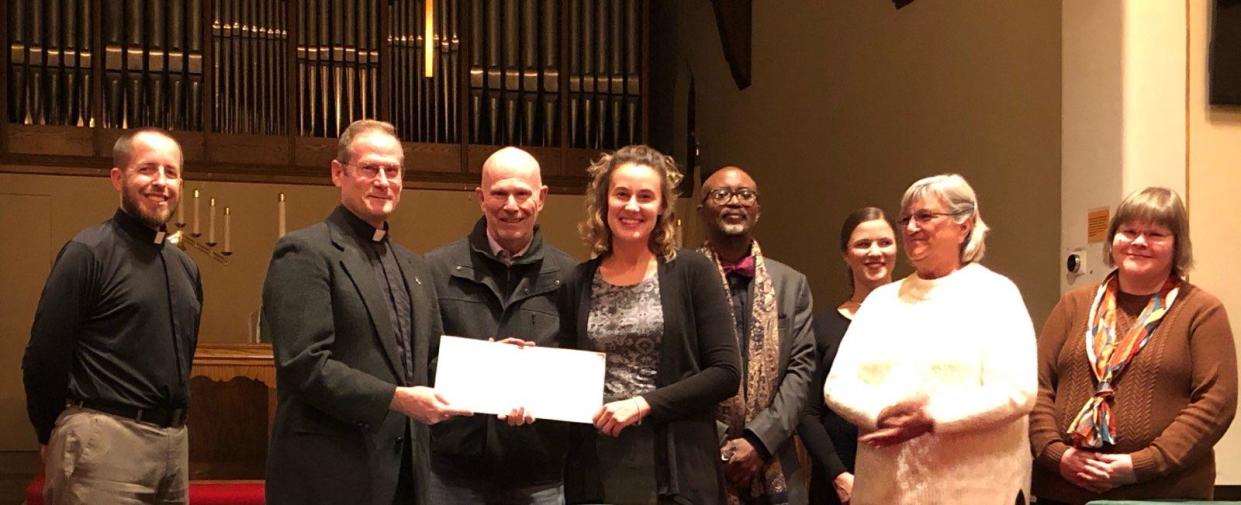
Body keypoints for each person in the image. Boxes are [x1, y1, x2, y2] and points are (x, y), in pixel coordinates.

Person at [261, 119, 471, 505]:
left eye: (392, 170)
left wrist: (496, 366)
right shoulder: (305, 252)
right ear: (338, 173)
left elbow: (432, 360)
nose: (383, 180)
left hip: (406, 473)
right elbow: (304, 365)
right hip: (331, 474)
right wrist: (396, 398)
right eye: (369, 168)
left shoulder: (414, 266)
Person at [823, 174, 1037, 505]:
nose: (910, 228)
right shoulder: (881, 301)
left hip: (975, 490)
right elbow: (838, 386)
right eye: (905, 219)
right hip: (886, 490)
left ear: (964, 225)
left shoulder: (996, 294)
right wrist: (882, 413)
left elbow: (1016, 392)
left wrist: (932, 418)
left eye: (924, 216)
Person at [23, 128, 201, 504]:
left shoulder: (185, 267)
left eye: (171, 172)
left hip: (173, 446)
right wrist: (50, 432)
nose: (161, 182)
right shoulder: (88, 252)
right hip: (102, 443)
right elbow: (43, 356)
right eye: (147, 170)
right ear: (118, 178)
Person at [556, 145, 740, 504]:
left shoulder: (692, 271)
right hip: (597, 463)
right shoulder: (578, 281)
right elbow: (565, 370)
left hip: (676, 465)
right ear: (603, 202)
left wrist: (644, 404)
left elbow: (725, 372)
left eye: (645, 196)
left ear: (662, 207)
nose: (632, 206)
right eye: (621, 194)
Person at [1029, 187, 1237, 505]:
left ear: (1177, 245)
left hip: (1162, 496)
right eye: (1129, 231)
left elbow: (1215, 403)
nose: (1139, 242)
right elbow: (1037, 387)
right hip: (1063, 491)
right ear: (1113, 240)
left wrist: (1139, 465)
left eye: (1155, 234)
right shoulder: (1073, 305)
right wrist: (1058, 455)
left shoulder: (1201, 311)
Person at [425, 146, 577, 504]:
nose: (511, 205)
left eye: (522, 193)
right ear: (480, 197)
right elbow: (420, 360)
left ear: (542, 198)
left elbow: (580, 365)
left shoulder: (572, 276)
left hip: (540, 470)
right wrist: (484, 371)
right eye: (499, 193)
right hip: (453, 470)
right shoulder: (433, 270)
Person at [696, 166, 816, 505]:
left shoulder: (792, 284)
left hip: (775, 458)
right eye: (722, 194)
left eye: (745, 194)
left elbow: (801, 370)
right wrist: (721, 445)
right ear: (702, 210)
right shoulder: (679, 278)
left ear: (758, 209)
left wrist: (759, 441)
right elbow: (678, 368)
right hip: (702, 457)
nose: (735, 202)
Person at [798, 207, 896, 505]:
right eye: (862, 244)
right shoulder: (822, 328)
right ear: (845, 254)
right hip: (839, 484)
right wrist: (839, 476)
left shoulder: (921, 317)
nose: (875, 252)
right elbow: (806, 413)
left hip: (904, 477)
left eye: (885, 242)